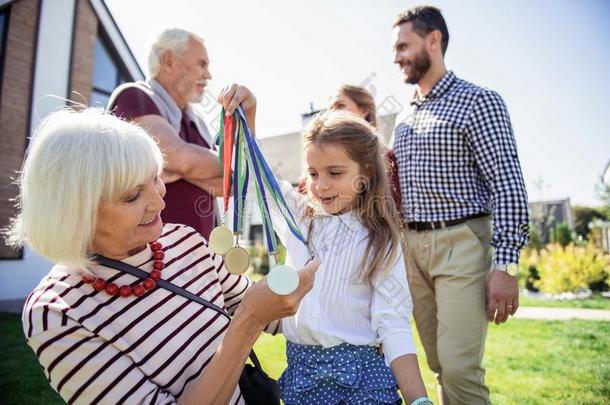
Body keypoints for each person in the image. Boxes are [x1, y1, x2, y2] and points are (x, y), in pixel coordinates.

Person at [7, 108, 319, 404]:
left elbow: (275, 315)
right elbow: (253, 312)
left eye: (156, 178)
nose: (158, 202)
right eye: (132, 196)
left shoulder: (184, 241)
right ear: (73, 214)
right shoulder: (57, 313)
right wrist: (249, 321)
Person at [391, 6, 529, 404]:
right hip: (412, 250)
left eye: (403, 45)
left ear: (433, 40)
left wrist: (505, 266)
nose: (396, 56)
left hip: (462, 245)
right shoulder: (403, 118)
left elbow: (508, 186)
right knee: (437, 363)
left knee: (459, 368)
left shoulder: (479, 101)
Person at [271, 112, 432, 405]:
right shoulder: (299, 220)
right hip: (302, 384)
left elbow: (393, 324)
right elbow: (256, 176)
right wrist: (249, 114)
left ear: (366, 173)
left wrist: (418, 399)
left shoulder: (382, 241)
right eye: (313, 173)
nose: (320, 186)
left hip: (365, 386)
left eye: (335, 173)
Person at [108, 28, 254, 240]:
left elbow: (233, 183)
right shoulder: (134, 96)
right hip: (151, 259)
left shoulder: (198, 123)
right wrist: (187, 163)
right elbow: (179, 158)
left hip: (198, 259)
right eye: (201, 64)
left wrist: (181, 166)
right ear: (168, 61)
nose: (208, 75)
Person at [328, 84, 402, 217]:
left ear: (364, 110)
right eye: (331, 108)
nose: (333, 113)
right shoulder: (320, 158)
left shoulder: (388, 159)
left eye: (340, 105)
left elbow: (397, 213)